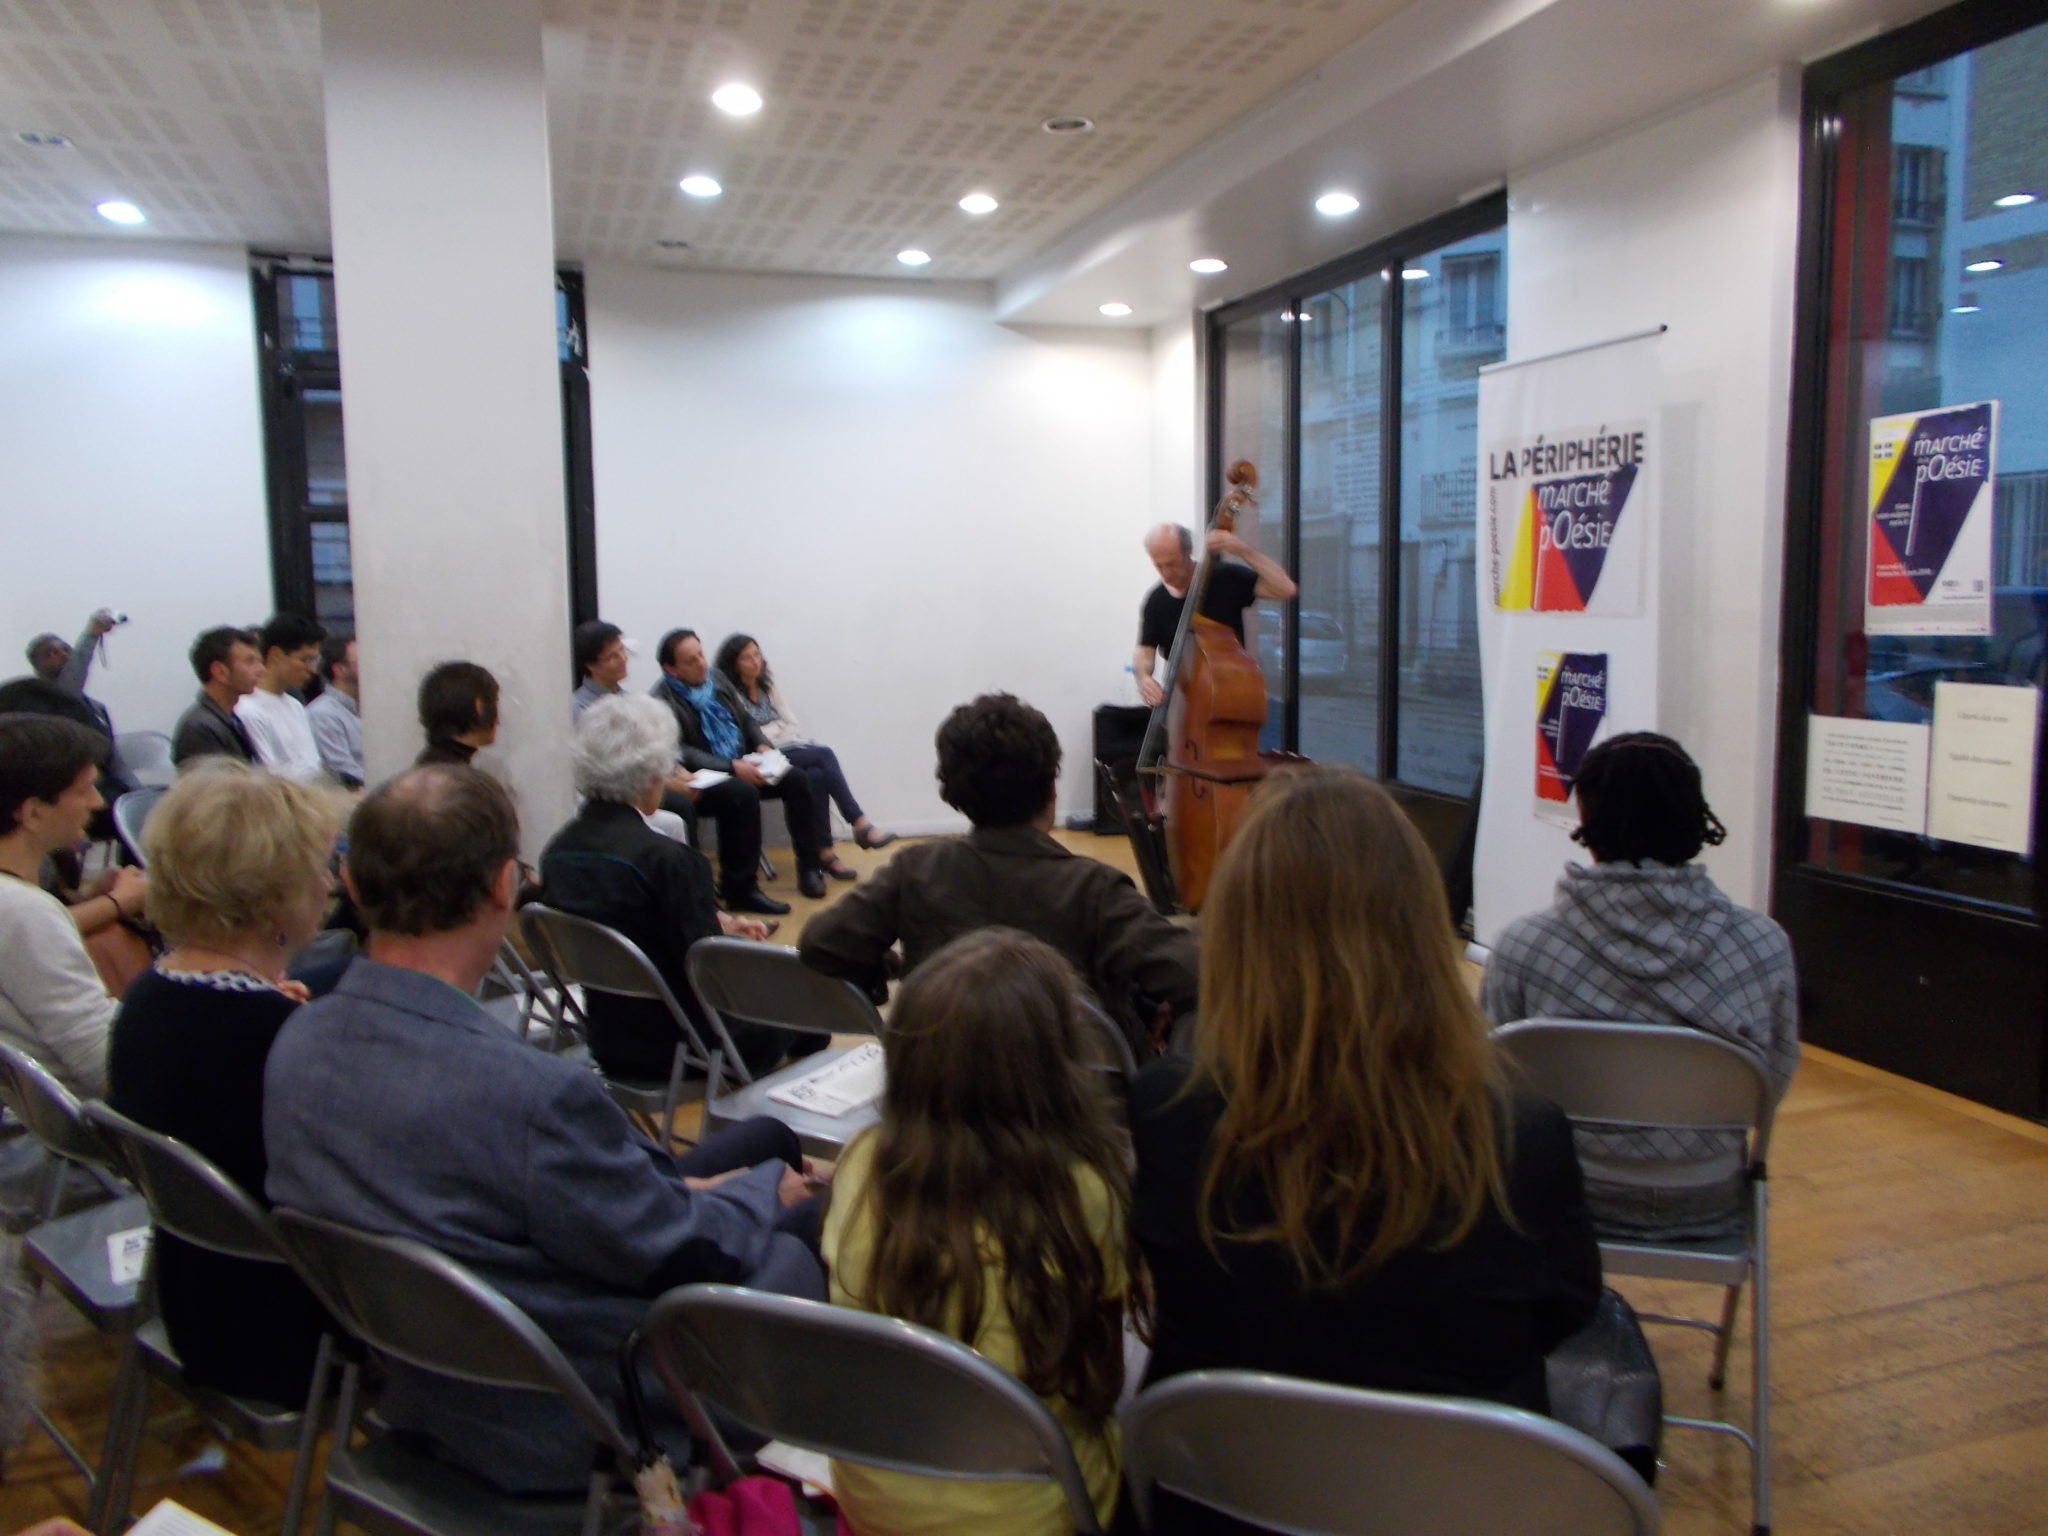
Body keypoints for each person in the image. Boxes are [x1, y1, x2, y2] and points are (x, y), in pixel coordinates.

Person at [264, 765, 827, 1493]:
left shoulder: (295, 1042)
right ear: (505, 886)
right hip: (590, 1406)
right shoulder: (533, 1095)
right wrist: (762, 1194)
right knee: (821, 1217)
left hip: (431, 1377)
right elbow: (679, 1253)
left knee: (765, 1140)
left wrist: (698, 1189)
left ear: (352, 884)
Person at [1131, 767, 1600, 1533]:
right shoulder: (1523, 1135)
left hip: (1222, 1501)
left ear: (1238, 930)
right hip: (1457, 1506)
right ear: (1419, 928)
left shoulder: (1166, 1109)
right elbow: (1566, 1308)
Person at [824, 928, 1139, 1536]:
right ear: (1055, 1066)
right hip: (1035, 1512)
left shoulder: (860, 1163)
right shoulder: (1081, 1191)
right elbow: (1099, 1379)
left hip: (873, 1503)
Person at [1481, 732, 1800, 1240]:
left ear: (1587, 821)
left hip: (1558, 1197)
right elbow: (1772, 1080)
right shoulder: (1762, 945)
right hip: (1707, 1197)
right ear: (1696, 819)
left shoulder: (1526, 946)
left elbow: (1495, 1083)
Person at [108, 761, 343, 1406]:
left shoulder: (147, 998)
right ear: (273, 899)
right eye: (318, 869)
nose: (329, 884)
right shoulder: (275, 1038)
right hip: (293, 1332)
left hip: (195, 1304)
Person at [801, 693, 1196, 1053]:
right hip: (1075, 1097)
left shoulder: (914, 871)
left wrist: (901, 968)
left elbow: (821, 944)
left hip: (939, 1087)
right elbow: (1197, 975)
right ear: (1051, 788)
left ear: (953, 794)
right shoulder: (1095, 888)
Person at [539, 695, 798, 1083]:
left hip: (607, 1039)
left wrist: (718, 926)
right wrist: (736, 949)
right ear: (651, 775)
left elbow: (629, 923)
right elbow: (712, 975)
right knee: (803, 1006)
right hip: (685, 1048)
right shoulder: (670, 861)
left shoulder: (557, 853)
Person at [651, 628, 828, 911]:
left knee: (797, 778)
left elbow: (745, 720)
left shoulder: (716, 679)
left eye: (701, 654)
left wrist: (762, 746)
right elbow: (681, 750)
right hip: (700, 778)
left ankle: (810, 869)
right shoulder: (662, 701)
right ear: (671, 669)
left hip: (742, 762)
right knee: (741, 793)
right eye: (691, 660)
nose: (701, 663)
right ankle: (740, 889)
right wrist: (732, 766)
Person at [0, 715, 123, 1095]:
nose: (97, 802)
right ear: (33, 812)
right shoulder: (23, 911)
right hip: (82, 1120)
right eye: (84, 791)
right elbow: (102, 1063)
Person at [714, 634, 896, 865]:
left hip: (785, 750)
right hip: (757, 764)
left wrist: (774, 735)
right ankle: (859, 823)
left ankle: (825, 853)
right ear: (733, 664)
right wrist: (775, 735)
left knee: (816, 775)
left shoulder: (767, 687)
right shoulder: (731, 694)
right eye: (746, 658)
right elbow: (749, 737)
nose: (755, 661)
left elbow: (792, 723)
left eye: (757, 654)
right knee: (824, 754)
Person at [1133, 522, 1297, 707]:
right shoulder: (1156, 600)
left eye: (1172, 564)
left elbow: (1285, 588)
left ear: (1188, 551)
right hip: (1182, 704)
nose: (1166, 573)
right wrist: (1143, 677)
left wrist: (1242, 550)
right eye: (1159, 566)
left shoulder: (1225, 578)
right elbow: (1145, 650)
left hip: (1230, 698)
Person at [234, 615, 328, 782]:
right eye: (306, 659)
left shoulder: (295, 705)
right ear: (276, 655)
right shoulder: (247, 709)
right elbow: (269, 779)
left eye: (315, 660)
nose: (313, 669)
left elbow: (313, 766)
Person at [171, 626, 264, 767]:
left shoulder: (230, 718)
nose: (261, 670)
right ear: (220, 672)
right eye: (250, 662)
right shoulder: (200, 729)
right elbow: (221, 781)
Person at [304, 635, 364, 789]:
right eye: (362, 661)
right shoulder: (323, 714)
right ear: (339, 669)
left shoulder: (369, 709)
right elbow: (343, 771)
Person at [415, 660, 498, 767]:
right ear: (479, 707)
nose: (498, 721)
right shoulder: (460, 776)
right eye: (495, 703)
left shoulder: (417, 771)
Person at [571, 620, 628, 718]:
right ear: (591, 666)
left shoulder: (630, 700)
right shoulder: (579, 709)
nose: (623, 659)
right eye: (612, 656)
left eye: (622, 649)